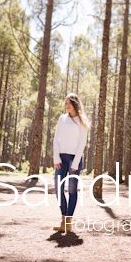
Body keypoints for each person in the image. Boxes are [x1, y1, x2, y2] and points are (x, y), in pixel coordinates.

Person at [53, 92, 91, 233]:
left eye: (69, 103)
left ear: (75, 104)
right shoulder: (62, 119)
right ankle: (63, 219)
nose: (66, 105)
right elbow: (56, 139)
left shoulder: (82, 121)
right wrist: (56, 157)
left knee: (72, 190)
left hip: (74, 159)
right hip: (61, 158)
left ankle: (68, 221)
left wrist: (75, 163)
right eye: (66, 103)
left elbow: (82, 144)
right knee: (58, 188)